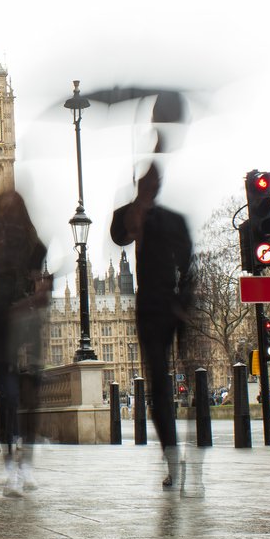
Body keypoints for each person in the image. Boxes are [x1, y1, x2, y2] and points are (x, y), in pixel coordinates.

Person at [111, 163, 194, 491]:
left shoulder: (174, 220)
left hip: (176, 306)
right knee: (159, 386)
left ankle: (189, 454)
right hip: (149, 309)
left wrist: (186, 301)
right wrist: (137, 209)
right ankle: (173, 458)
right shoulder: (130, 215)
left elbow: (189, 264)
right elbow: (119, 235)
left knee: (189, 380)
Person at [0, 189, 50, 496]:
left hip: (20, 316)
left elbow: (41, 278)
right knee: (9, 395)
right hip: (0, 318)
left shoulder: (28, 243)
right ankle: (13, 469)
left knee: (25, 395)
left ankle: (23, 466)